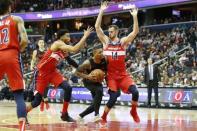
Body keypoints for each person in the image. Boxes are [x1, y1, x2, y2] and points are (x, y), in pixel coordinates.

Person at [26, 27, 93, 122]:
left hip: (53, 72)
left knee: (68, 88)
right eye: (67, 35)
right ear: (61, 37)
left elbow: (70, 61)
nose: (69, 37)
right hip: (41, 72)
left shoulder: (63, 48)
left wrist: (81, 68)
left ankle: (64, 114)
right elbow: (74, 49)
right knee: (37, 101)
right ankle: (24, 114)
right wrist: (85, 36)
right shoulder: (58, 43)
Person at [95, 1, 140, 123]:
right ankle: (103, 117)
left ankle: (133, 111)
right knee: (114, 97)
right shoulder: (105, 42)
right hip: (111, 76)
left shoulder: (123, 42)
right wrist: (101, 11)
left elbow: (134, 32)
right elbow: (97, 28)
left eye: (111, 31)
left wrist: (135, 17)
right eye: (108, 31)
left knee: (135, 92)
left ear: (117, 32)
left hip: (123, 75)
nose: (109, 33)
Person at [0, 0, 28, 130]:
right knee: (18, 94)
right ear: (10, 7)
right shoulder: (16, 19)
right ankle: (22, 126)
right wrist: (17, 51)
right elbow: (25, 40)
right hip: (11, 54)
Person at [75, 44, 107, 123]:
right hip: (88, 81)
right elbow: (76, 73)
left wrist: (103, 75)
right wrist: (87, 76)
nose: (102, 53)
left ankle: (80, 116)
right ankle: (96, 115)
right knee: (99, 91)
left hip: (97, 81)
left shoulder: (104, 60)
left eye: (102, 52)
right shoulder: (87, 63)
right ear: (94, 53)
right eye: (99, 52)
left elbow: (106, 71)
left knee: (95, 103)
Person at [30, 39, 50, 111]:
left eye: (42, 42)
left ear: (44, 44)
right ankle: (42, 103)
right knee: (39, 88)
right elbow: (33, 60)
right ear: (38, 44)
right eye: (40, 42)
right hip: (39, 70)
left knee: (46, 87)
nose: (41, 43)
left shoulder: (47, 51)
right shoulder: (35, 51)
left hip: (46, 71)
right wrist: (31, 65)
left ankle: (44, 101)